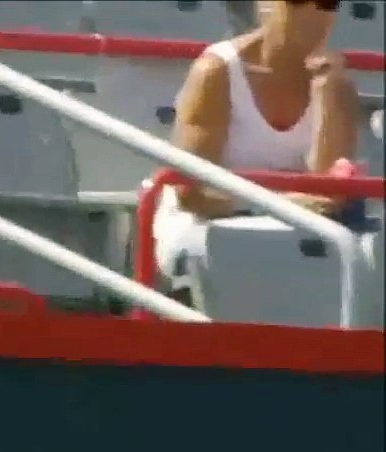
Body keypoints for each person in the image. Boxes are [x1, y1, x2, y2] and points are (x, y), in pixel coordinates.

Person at [153, 0, 360, 281]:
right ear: (265, 4)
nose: (314, 14)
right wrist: (275, 204)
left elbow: (328, 193)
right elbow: (193, 195)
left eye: (328, 3)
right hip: (207, 226)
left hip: (293, 233)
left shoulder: (337, 85)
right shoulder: (215, 73)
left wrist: (326, 93)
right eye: (297, 2)